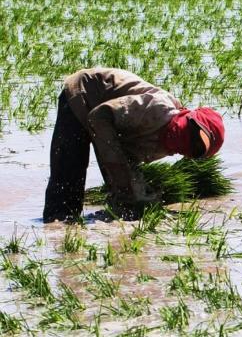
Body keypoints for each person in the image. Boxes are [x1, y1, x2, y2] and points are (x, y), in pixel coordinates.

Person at [43, 68, 225, 222]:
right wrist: (117, 166)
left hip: (110, 125)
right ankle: (55, 230)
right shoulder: (157, 109)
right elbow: (99, 116)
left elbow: (128, 159)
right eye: (194, 134)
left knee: (125, 198)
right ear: (189, 117)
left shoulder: (167, 144)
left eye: (198, 148)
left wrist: (137, 192)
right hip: (82, 94)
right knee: (68, 181)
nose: (190, 143)